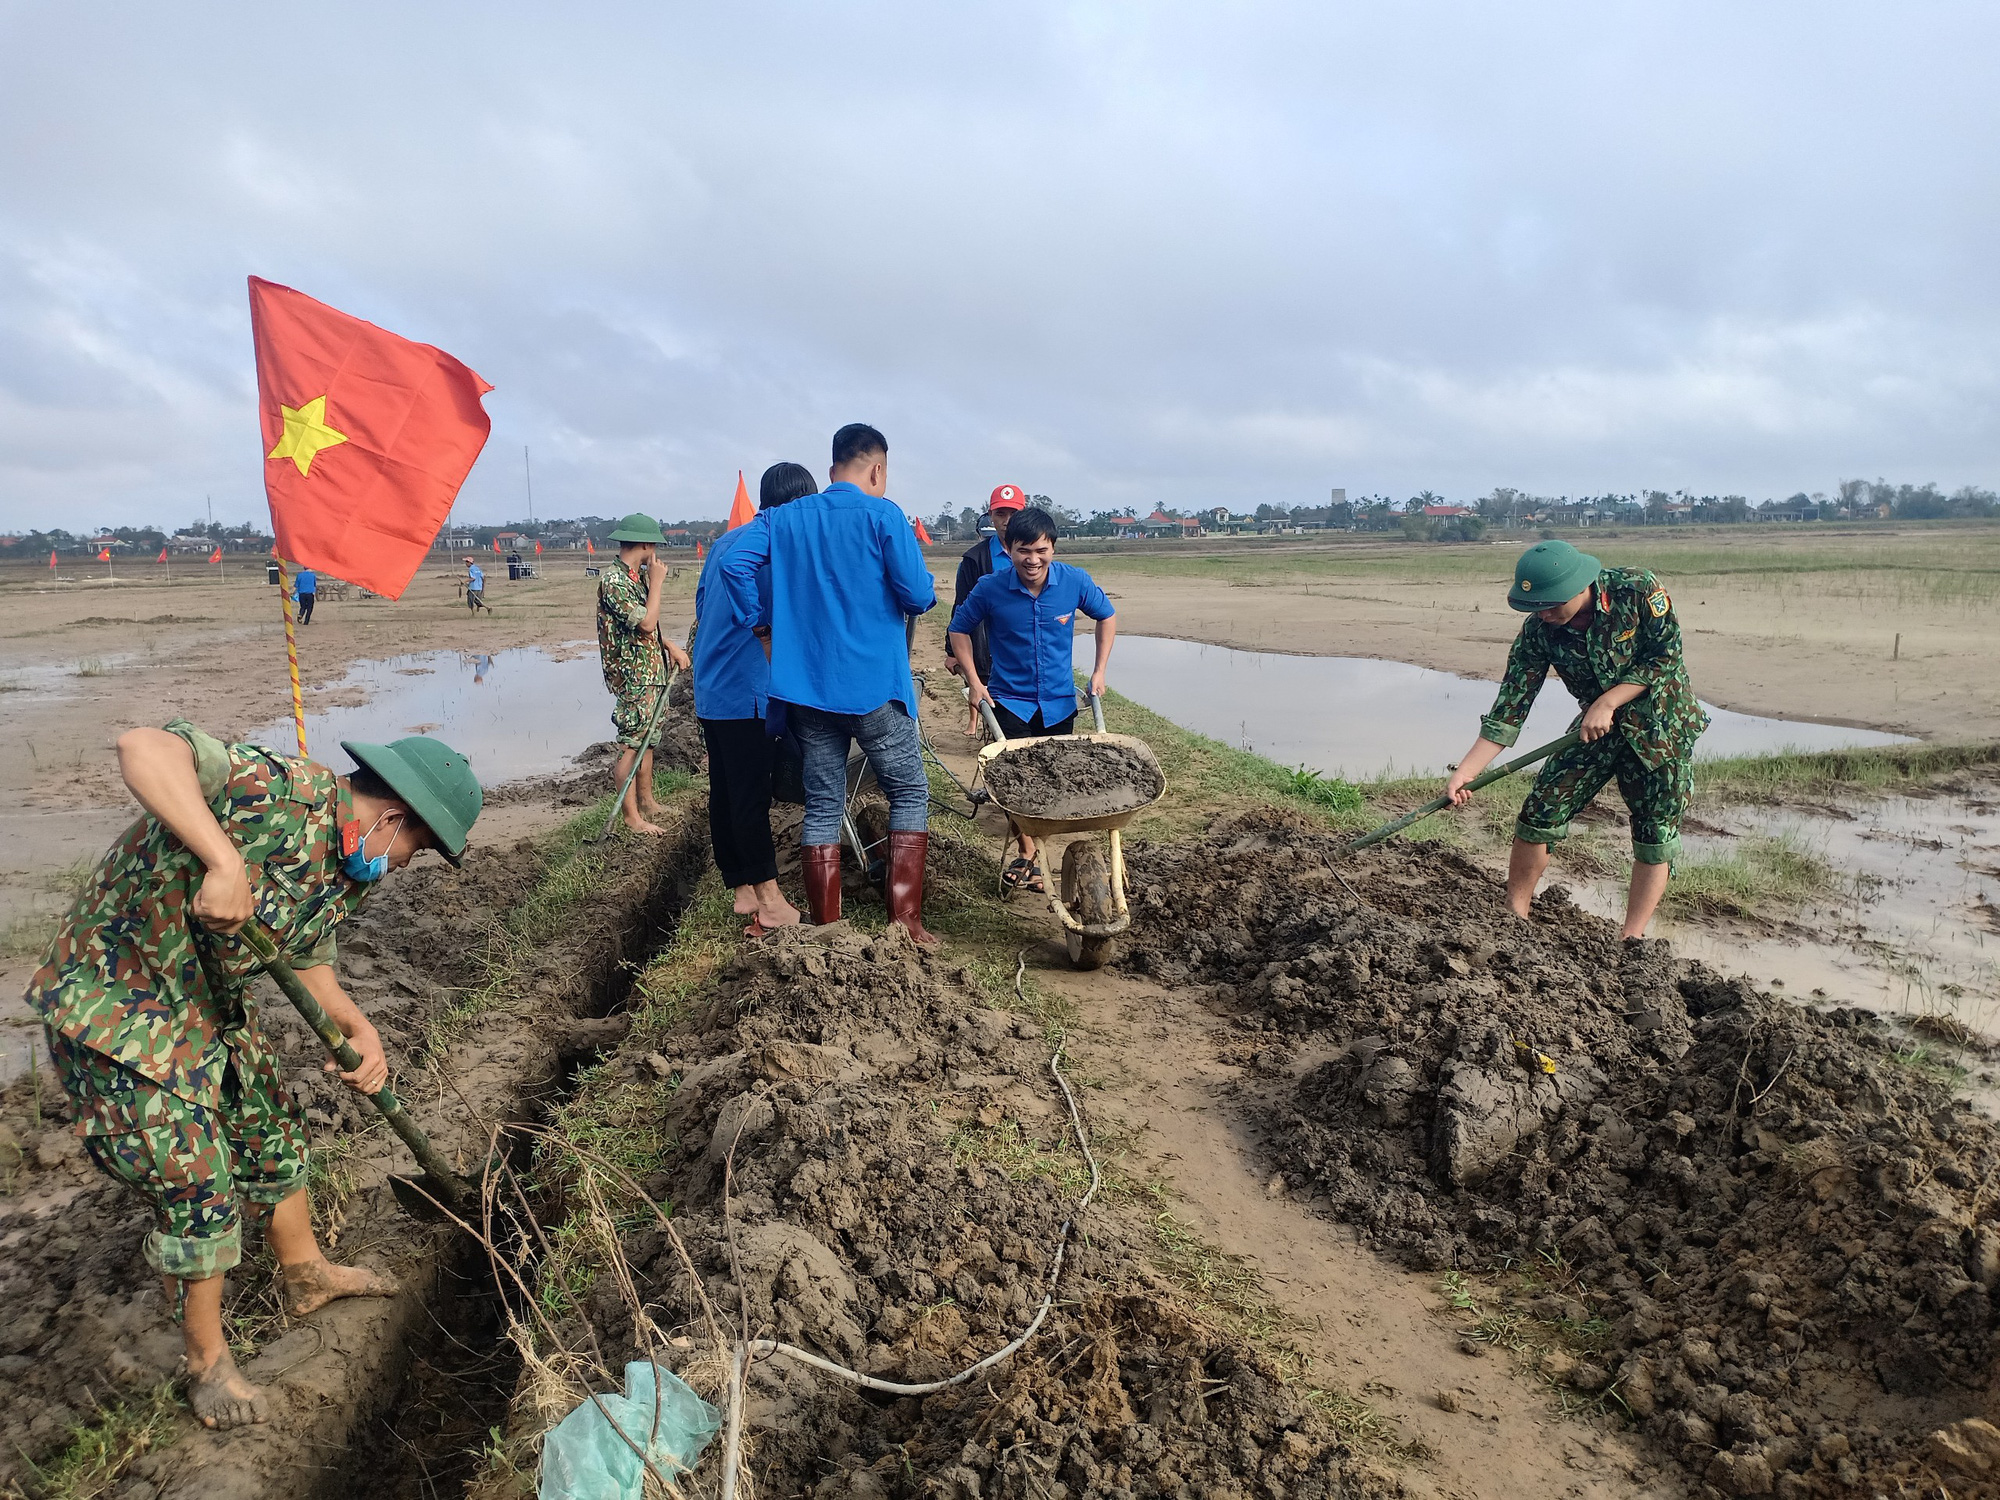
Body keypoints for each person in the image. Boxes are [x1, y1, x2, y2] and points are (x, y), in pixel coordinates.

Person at [26, 717, 483, 1430]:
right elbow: (141, 747)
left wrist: (353, 1025)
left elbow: (310, 956)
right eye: (414, 853)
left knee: (271, 1126)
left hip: (204, 1003)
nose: (401, 867)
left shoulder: (347, 864)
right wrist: (224, 860)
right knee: (195, 1173)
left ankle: (306, 1275)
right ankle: (206, 1365)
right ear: (392, 818)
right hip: (114, 1001)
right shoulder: (276, 789)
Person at [717, 423, 940, 945]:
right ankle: (904, 921)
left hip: (807, 694)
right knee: (908, 789)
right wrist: (920, 594)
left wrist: (760, 623)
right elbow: (916, 594)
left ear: (832, 465)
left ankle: (827, 926)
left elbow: (733, 562)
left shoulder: (783, 517)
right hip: (874, 689)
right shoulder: (884, 514)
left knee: (822, 801)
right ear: (877, 468)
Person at [1444, 539, 1708, 940]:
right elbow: (1511, 704)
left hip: (1661, 730)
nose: (1544, 614)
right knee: (1540, 811)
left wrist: (1608, 700)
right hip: (1594, 731)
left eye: (1552, 604)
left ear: (1580, 586)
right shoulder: (1539, 631)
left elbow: (1665, 655)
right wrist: (1465, 772)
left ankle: (1631, 938)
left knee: (1655, 834)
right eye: (1536, 607)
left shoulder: (1636, 589)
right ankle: (1514, 918)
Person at [948, 506, 1117, 890]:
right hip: (1010, 702)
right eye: (1024, 550)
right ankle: (1029, 852)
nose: (1033, 559)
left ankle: (1043, 845)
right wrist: (975, 682)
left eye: (1041, 550)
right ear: (1009, 550)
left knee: (1054, 781)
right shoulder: (991, 588)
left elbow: (1106, 616)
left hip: (1060, 702)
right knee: (1011, 784)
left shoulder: (1073, 582)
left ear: (1052, 549)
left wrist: (1099, 671)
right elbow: (959, 630)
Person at [693, 463, 813, 937]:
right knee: (749, 796)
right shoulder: (774, 548)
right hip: (747, 689)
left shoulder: (727, 542)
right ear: (800, 504)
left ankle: (741, 887)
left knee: (725, 790)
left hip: (712, 685)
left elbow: (703, 608)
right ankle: (769, 899)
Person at [599, 513, 693, 835]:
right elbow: (646, 623)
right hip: (634, 675)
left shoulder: (633, 578)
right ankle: (631, 817)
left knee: (648, 741)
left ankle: (647, 801)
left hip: (650, 669)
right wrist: (657, 582)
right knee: (633, 744)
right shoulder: (614, 581)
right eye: (654, 546)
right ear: (645, 544)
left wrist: (670, 647)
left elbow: (647, 631)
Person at [943, 484, 1027, 694]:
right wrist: (952, 650)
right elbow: (961, 605)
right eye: (1000, 514)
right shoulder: (974, 560)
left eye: (1013, 513)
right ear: (991, 516)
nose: (1007, 521)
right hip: (989, 649)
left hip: (1026, 648)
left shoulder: (1036, 555)